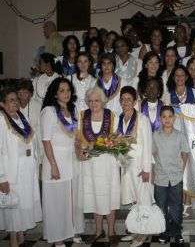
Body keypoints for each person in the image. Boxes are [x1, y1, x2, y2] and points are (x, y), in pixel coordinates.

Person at [41, 77, 84, 246]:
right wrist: (53, 165)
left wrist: (80, 150)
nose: (66, 93)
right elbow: (46, 140)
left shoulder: (72, 111)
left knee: (70, 200)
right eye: (61, 90)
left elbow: (75, 138)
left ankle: (70, 231)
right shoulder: (49, 111)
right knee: (56, 201)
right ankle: (57, 236)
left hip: (71, 161)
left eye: (68, 90)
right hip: (55, 161)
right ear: (55, 93)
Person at [75, 87, 120, 246]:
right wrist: (79, 151)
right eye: (91, 101)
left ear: (103, 101)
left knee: (109, 196)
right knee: (95, 195)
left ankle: (112, 231)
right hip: (90, 164)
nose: (94, 103)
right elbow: (78, 140)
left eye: (97, 100)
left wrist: (106, 144)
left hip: (107, 162)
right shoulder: (82, 116)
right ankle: (98, 230)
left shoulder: (111, 116)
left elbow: (116, 139)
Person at [0, 86, 42, 247]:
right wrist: (1, 177)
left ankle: (21, 236)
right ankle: (13, 240)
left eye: (16, 99)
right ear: (2, 104)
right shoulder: (1, 120)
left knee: (23, 205)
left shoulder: (21, 117)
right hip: (12, 173)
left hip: (27, 170)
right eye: (11, 100)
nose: (15, 102)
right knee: (14, 207)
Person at [118, 86, 153, 246]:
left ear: (134, 101)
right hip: (126, 166)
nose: (125, 102)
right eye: (123, 99)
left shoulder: (142, 119)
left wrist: (147, 169)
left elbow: (148, 145)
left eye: (129, 99)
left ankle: (143, 234)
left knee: (143, 199)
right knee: (134, 200)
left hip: (140, 167)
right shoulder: (120, 118)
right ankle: (134, 230)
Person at [153, 105, 190, 244]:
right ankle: (165, 232)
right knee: (161, 206)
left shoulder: (180, 135)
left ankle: (177, 231)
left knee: (176, 206)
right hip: (160, 177)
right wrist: (152, 174)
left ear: (174, 118)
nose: (167, 119)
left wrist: (182, 167)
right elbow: (152, 155)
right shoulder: (155, 135)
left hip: (176, 177)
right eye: (164, 116)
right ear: (160, 119)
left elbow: (185, 152)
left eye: (170, 116)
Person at [32, 53, 60, 120]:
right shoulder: (36, 80)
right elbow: (33, 98)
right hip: (38, 113)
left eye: (41, 63)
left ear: (49, 64)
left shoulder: (60, 79)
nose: (39, 65)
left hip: (55, 113)